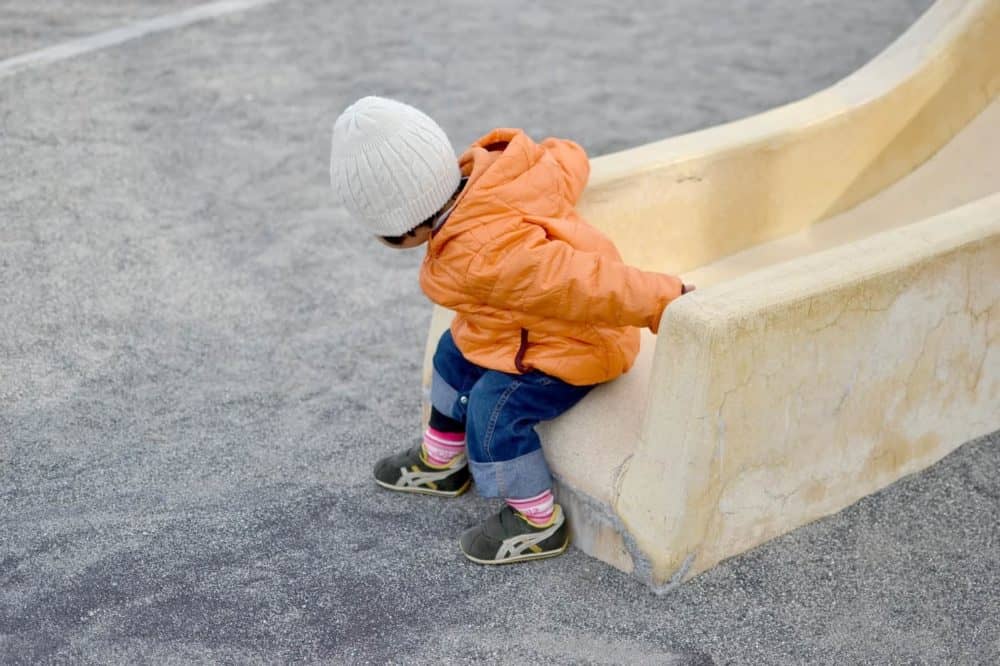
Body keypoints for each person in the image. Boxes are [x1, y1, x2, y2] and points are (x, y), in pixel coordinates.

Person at [329, 96, 692, 565]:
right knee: (452, 351)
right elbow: (563, 164)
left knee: (493, 408)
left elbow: (587, 283)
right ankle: (442, 461)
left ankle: (535, 518)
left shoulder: (487, 257)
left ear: (404, 228)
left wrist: (667, 298)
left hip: (574, 346)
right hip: (520, 330)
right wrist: (570, 152)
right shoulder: (501, 177)